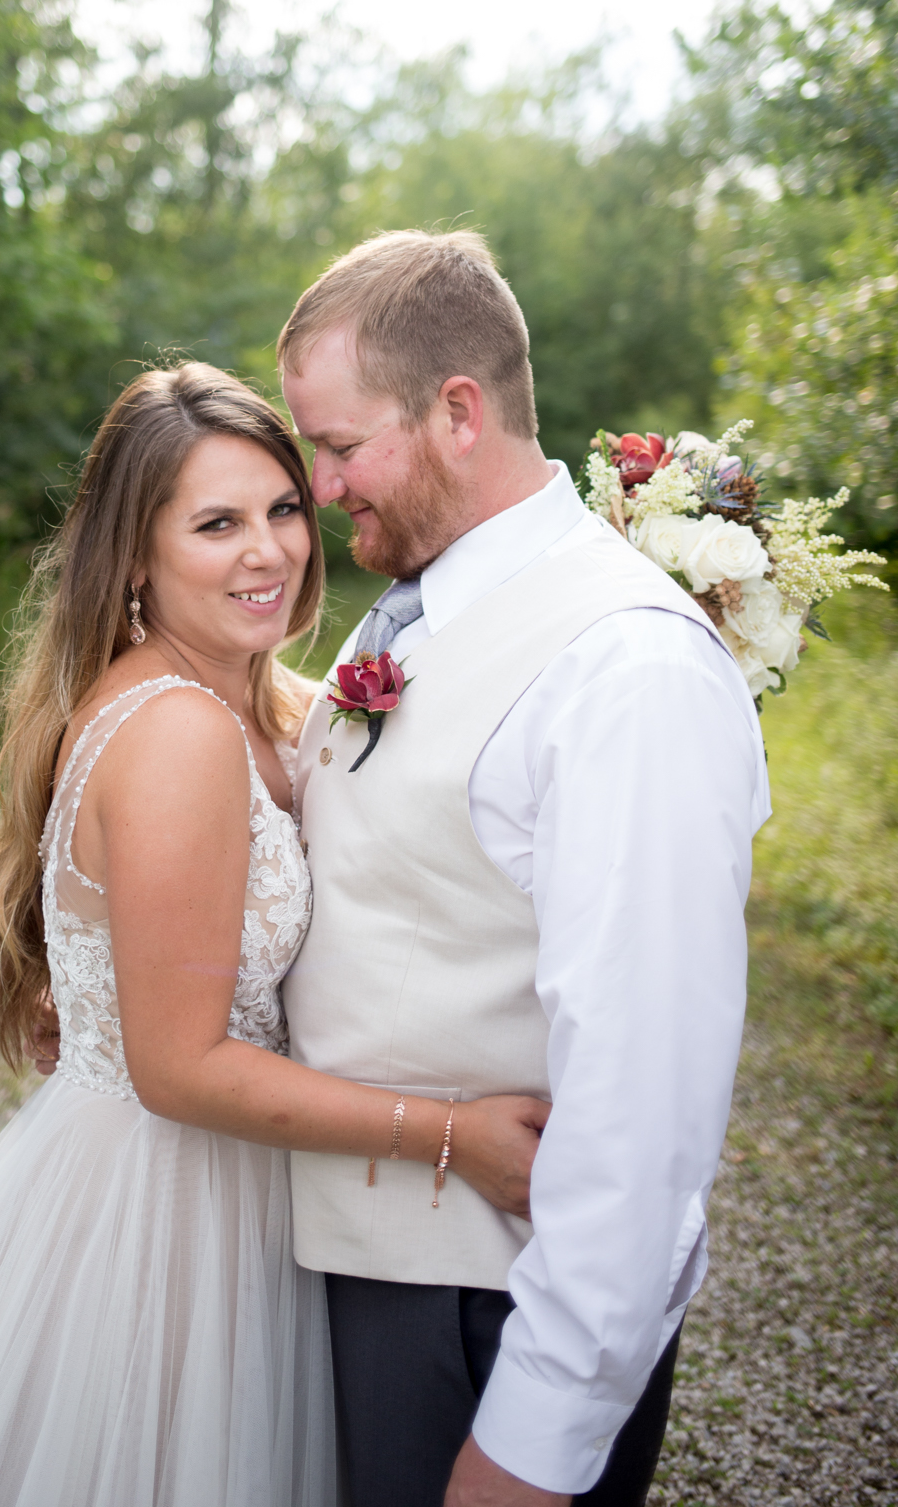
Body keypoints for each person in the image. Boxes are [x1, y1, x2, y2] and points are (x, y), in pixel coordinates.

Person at [0, 362, 545, 1507]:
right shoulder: (177, 731)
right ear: (133, 554)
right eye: (216, 523)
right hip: (169, 1208)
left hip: (250, 1180)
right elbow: (178, 1067)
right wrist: (452, 1132)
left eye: (278, 508)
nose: (268, 550)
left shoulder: (265, 701)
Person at [277, 230, 772, 1507]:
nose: (322, 489)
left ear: (457, 410)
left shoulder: (628, 669)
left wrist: (532, 1441)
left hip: (486, 1313)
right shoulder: (434, 608)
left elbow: (642, 1101)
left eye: (338, 447)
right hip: (379, 1272)